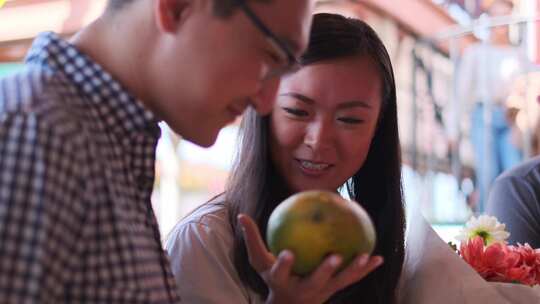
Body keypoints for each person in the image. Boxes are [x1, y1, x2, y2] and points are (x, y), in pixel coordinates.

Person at [0, 0, 313, 302]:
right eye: (271, 56)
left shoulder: (98, 143)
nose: (266, 102)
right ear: (178, 7)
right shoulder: (40, 133)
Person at [166, 13, 405, 304]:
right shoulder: (205, 243)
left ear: (377, 129)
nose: (318, 139)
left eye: (350, 119)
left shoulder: (378, 246)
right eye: (297, 111)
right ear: (263, 107)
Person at [451, 0, 526, 212]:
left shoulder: (518, 54)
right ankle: (487, 232)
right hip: (482, 116)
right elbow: (461, 91)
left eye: (506, 17)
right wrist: (453, 129)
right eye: (497, 16)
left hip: (511, 118)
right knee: (487, 174)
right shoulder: (476, 52)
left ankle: (514, 230)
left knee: (513, 172)